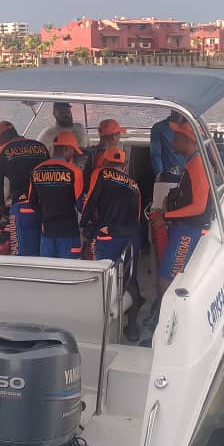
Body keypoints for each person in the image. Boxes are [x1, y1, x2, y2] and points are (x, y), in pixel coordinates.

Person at [80, 146, 143, 340]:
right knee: (130, 279)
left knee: (105, 278)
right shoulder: (134, 185)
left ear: (105, 162)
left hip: (109, 235)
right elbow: (138, 215)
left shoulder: (101, 173)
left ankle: (101, 329)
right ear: (123, 165)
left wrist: (84, 225)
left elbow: (90, 201)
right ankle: (132, 328)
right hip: (132, 236)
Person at [156, 118, 212, 298]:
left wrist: (166, 217)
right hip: (182, 228)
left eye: (177, 137)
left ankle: (165, 312)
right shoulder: (192, 162)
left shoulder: (198, 165)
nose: (172, 141)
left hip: (189, 232)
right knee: (166, 273)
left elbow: (199, 207)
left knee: (168, 277)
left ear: (188, 139)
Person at [0, 121, 49, 255]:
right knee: (46, 253)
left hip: (22, 209)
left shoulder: (2, 151)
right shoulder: (40, 146)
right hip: (46, 207)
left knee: (22, 256)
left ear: (1, 138)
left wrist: (2, 206)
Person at [29, 131, 84, 259]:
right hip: (68, 232)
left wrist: (46, 214)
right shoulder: (74, 172)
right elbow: (80, 205)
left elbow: (32, 202)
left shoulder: (36, 170)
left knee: (47, 269)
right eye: (73, 151)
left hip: (47, 233)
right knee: (69, 268)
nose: (73, 155)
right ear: (66, 149)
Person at [83, 118, 126, 189]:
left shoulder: (88, 152)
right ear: (113, 137)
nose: (120, 136)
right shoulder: (117, 157)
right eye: (119, 133)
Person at [150, 110, 186, 179]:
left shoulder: (192, 128)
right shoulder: (158, 128)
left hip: (190, 175)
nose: (179, 113)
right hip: (170, 177)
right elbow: (155, 156)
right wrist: (161, 177)